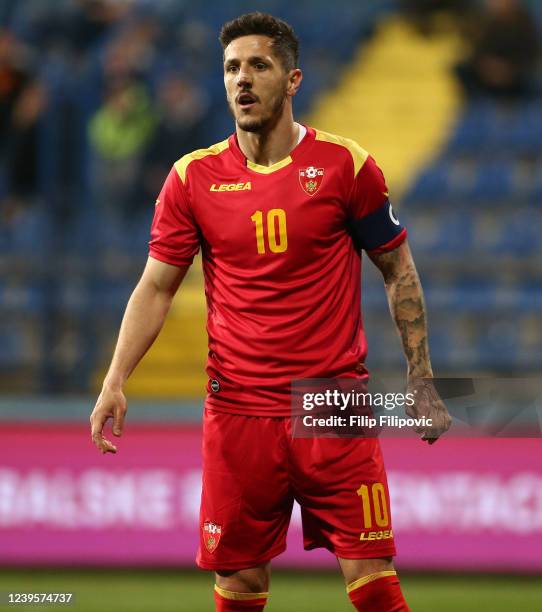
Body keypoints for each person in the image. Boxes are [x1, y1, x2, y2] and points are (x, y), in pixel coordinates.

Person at [90, 12, 451, 612]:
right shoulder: (191, 178)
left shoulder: (346, 167)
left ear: (292, 79)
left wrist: (421, 376)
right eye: (232, 67)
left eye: (259, 65)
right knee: (240, 585)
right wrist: (114, 379)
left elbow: (399, 271)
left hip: (333, 403)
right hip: (237, 411)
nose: (243, 79)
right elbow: (155, 287)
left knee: (373, 577)